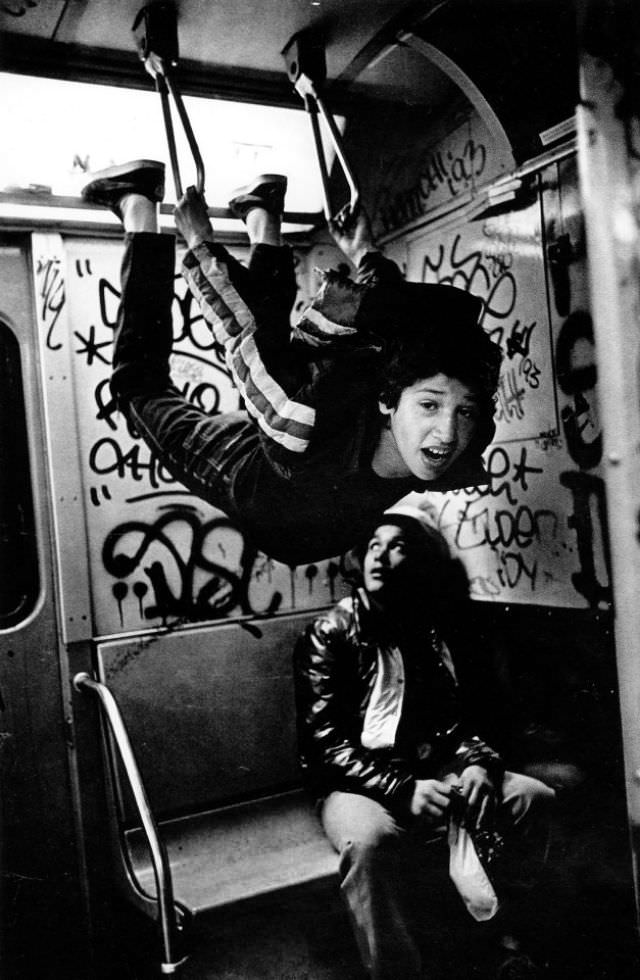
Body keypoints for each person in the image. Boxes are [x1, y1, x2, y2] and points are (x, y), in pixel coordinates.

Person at [81, 159, 502, 566]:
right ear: (388, 403)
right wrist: (197, 241)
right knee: (137, 387)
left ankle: (263, 215)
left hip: (294, 462)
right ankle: (139, 206)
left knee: (281, 356)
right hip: (251, 466)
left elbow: (394, 320)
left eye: (464, 411)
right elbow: (245, 338)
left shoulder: (454, 437)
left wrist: (365, 254)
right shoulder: (300, 428)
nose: (448, 433)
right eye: (430, 405)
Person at [293, 504, 556, 979]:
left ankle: (512, 944)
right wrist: (402, 789)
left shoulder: (423, 629)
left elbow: (449, 721)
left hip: (427, 771)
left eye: (396, 547)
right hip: (353, 784)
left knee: (530, 796)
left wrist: (476, 763)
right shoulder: (329, 634)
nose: (380, 556)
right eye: (373, 545)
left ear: (417, 563)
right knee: (368, 843)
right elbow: (325, 748)